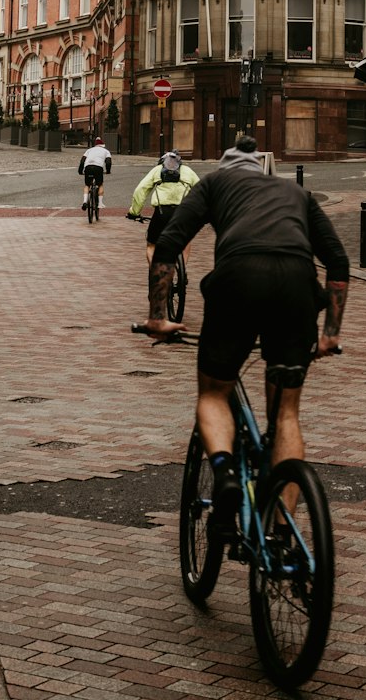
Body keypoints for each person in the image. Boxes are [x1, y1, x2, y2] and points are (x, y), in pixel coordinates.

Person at [142, 134, 349, 531]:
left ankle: (225, 476)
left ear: (226, 170)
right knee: (286, 412)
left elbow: (168, 243)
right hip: (297, 288)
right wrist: (330, 334)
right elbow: (337, 261)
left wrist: (157, 317)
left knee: (214, 393)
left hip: (238, 282)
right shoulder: (295, 191)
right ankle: (280, 530)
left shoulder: (214, 183)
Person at [126, 149, 200, 265]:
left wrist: (134, 212)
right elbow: (201, 191)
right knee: (185, 241)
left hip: (162, 212)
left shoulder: (157, 170)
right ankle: (183, 271)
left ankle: (156, 273)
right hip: (183, 212)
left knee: (152, 244)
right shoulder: (188, 171)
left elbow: (140, 190)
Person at [78, 135, 112, 211]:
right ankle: (100, 203)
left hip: (88, 167)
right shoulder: (106, 151)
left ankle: (84, 201)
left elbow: (82, 160)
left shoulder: (89, 150)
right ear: (102, 146)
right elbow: (108, 162)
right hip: (98, 168)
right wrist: (108, 171)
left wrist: (80, 171)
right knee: (100, 185)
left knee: (87, 185)